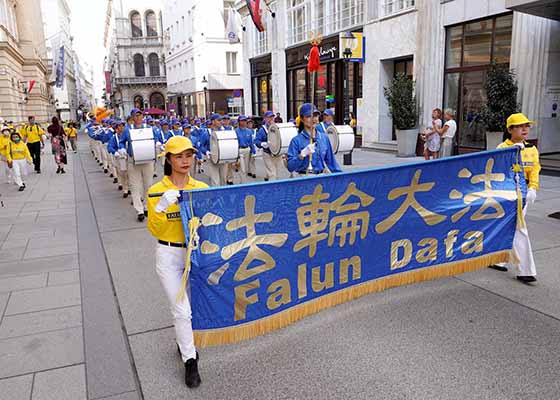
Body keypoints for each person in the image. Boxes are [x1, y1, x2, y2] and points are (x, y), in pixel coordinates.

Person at [146, 135, 207, 388]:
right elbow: (155, 230)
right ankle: (190, 361)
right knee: (182, 310)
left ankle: (183, 342)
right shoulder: (156, 191)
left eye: (189, 155)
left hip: (193, 254)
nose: (185, 161)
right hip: (168, 255)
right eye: (179, 156)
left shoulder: (201, 189)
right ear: (168, 160)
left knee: (191, 309)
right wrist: (161, 206)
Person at [489, 113, 541, 284]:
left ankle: (500, 259)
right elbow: (497, 172)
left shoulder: (532, 150)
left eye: (527, 125)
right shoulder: (502, 148)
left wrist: (533, 187)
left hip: (524, 193)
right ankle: (525, 270)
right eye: (520, 126)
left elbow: (535, 170)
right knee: (518, 228)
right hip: (508, 193)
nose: (525, 129)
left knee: (515, 227)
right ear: (510, 129)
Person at [119, 108, 156, 221]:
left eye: (140, 115)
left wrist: (158, 143)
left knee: (148, 185)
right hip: (133, 160)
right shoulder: (127, 130)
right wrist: (122, 149)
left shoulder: (149, 128)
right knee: (135, 186)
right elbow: (121, 142)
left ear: (142, 116)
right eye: (135, 116)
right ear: (132, 118)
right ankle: (139, 210)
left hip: (147, 160)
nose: (138, 118)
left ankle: (146, 206)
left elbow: (156, 139)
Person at [287, 103, 342, 175]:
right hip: (304, 179)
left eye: (315, 115)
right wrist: (301, 156)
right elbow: (290, 167)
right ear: (302, 119)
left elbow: (332, 163)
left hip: (321, 178)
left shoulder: (324, 138)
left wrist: (342, 178)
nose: (313, 119)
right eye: (309, 116)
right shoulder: (296, 141)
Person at [255, 110, 283, 181]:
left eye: (272, 117)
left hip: (278, 154)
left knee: (278, 173)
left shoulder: (278, 128)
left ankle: (267, 177)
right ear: (265, 118)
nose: (271, 119)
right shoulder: (262, 130)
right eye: (269, 117)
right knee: (273, 174)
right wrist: (262, 144)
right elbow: (256, 141)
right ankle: (273, 189)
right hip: (267, 154)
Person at [108, 120, 129, 198]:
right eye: (119, 126)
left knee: (130, 173)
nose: (121, 128)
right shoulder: (114, 138)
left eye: (123, 126)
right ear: (116, 128)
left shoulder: (128, 135)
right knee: (122, 173)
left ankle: (129, 187)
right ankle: (125, 189)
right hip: (119, 157)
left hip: (128, 156)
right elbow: (109, 147)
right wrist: (115, 152)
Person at [235, 115, 256, 183]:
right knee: (242, 168)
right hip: (239, 150)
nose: (243, 122)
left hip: (247, 150)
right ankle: (243, 183)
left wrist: (254, 152)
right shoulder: (236, 131)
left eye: (244, 120)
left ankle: (243, 182)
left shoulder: (249, 131)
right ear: (239, 122)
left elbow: (251, 142)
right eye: (242, 121)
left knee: (246, 169)